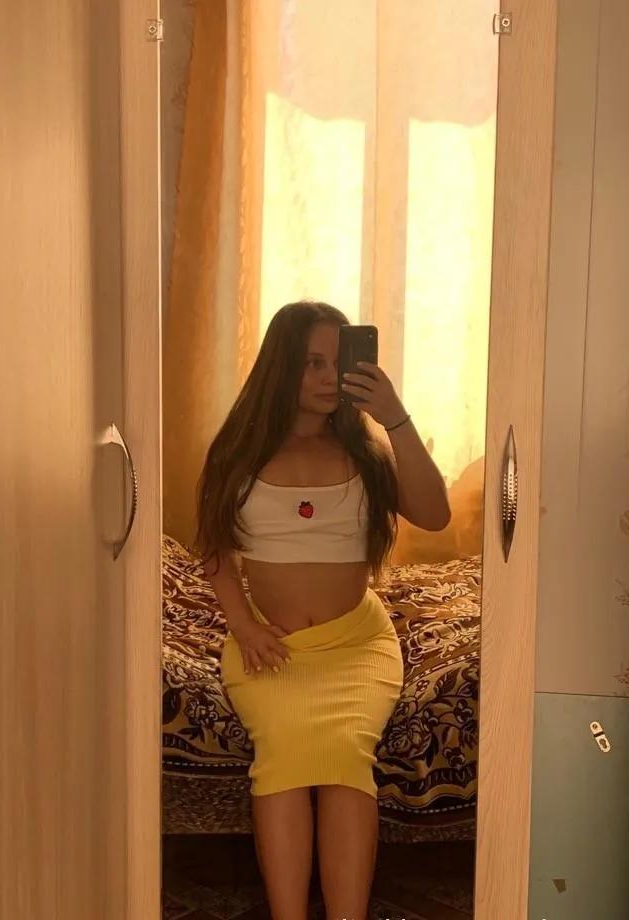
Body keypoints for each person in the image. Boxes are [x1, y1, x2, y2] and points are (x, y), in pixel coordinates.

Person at [195, 301, 450, 920]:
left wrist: (394, 417)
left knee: (344, 756)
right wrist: (244, 626)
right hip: (271, 646)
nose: (329, 377)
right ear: (281, 367)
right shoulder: (237, 453)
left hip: (357, 646)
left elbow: (435, 514)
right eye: (312, 363)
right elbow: (215, 552)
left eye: (339, 362)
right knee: (282, 753)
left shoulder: (365, 452)